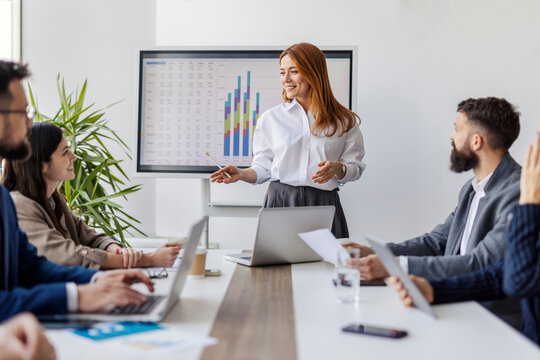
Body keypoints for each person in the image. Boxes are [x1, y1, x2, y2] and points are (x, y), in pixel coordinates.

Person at [0, 60, 154, 321]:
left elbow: (34, 268)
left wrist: (97, 280)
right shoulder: (16, 202)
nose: (29, 124)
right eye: (22, 112)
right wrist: (79, 296)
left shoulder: (3, 200)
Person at [390, 123, 540, 345]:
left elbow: (517, 280)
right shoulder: (472, 189)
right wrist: (433, 291)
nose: (533, 150)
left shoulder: (522, 194)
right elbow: (498, 274)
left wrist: (528, 207)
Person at [348, 97, 521, 281]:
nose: (451, 136)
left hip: (483, 307)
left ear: (476, 141)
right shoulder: (471, 189)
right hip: (455, 295)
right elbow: (436, 242)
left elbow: (480, 263)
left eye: (457, 129)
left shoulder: (518, 192)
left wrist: (395, 266)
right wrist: (376, 253)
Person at [210, 42, 365, 238]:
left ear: (313, 73)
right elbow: (264, 169)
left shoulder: (344, 120)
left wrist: (339, 169)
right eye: (282, 72)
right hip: (280, 203)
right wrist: (241, 173)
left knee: (327, 266)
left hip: (323, 204)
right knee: (276, 267)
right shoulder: (271, 118)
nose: (286, 79)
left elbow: (356, 168)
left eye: (293, 71)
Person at [2, 122, 180, 270]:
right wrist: (150, 259)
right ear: (43, 165)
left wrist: (116, 250)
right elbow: (69, 256)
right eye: (65, 152)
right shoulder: (18, 206)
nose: (74, 156)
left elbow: (90, 237)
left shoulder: (54, 200)